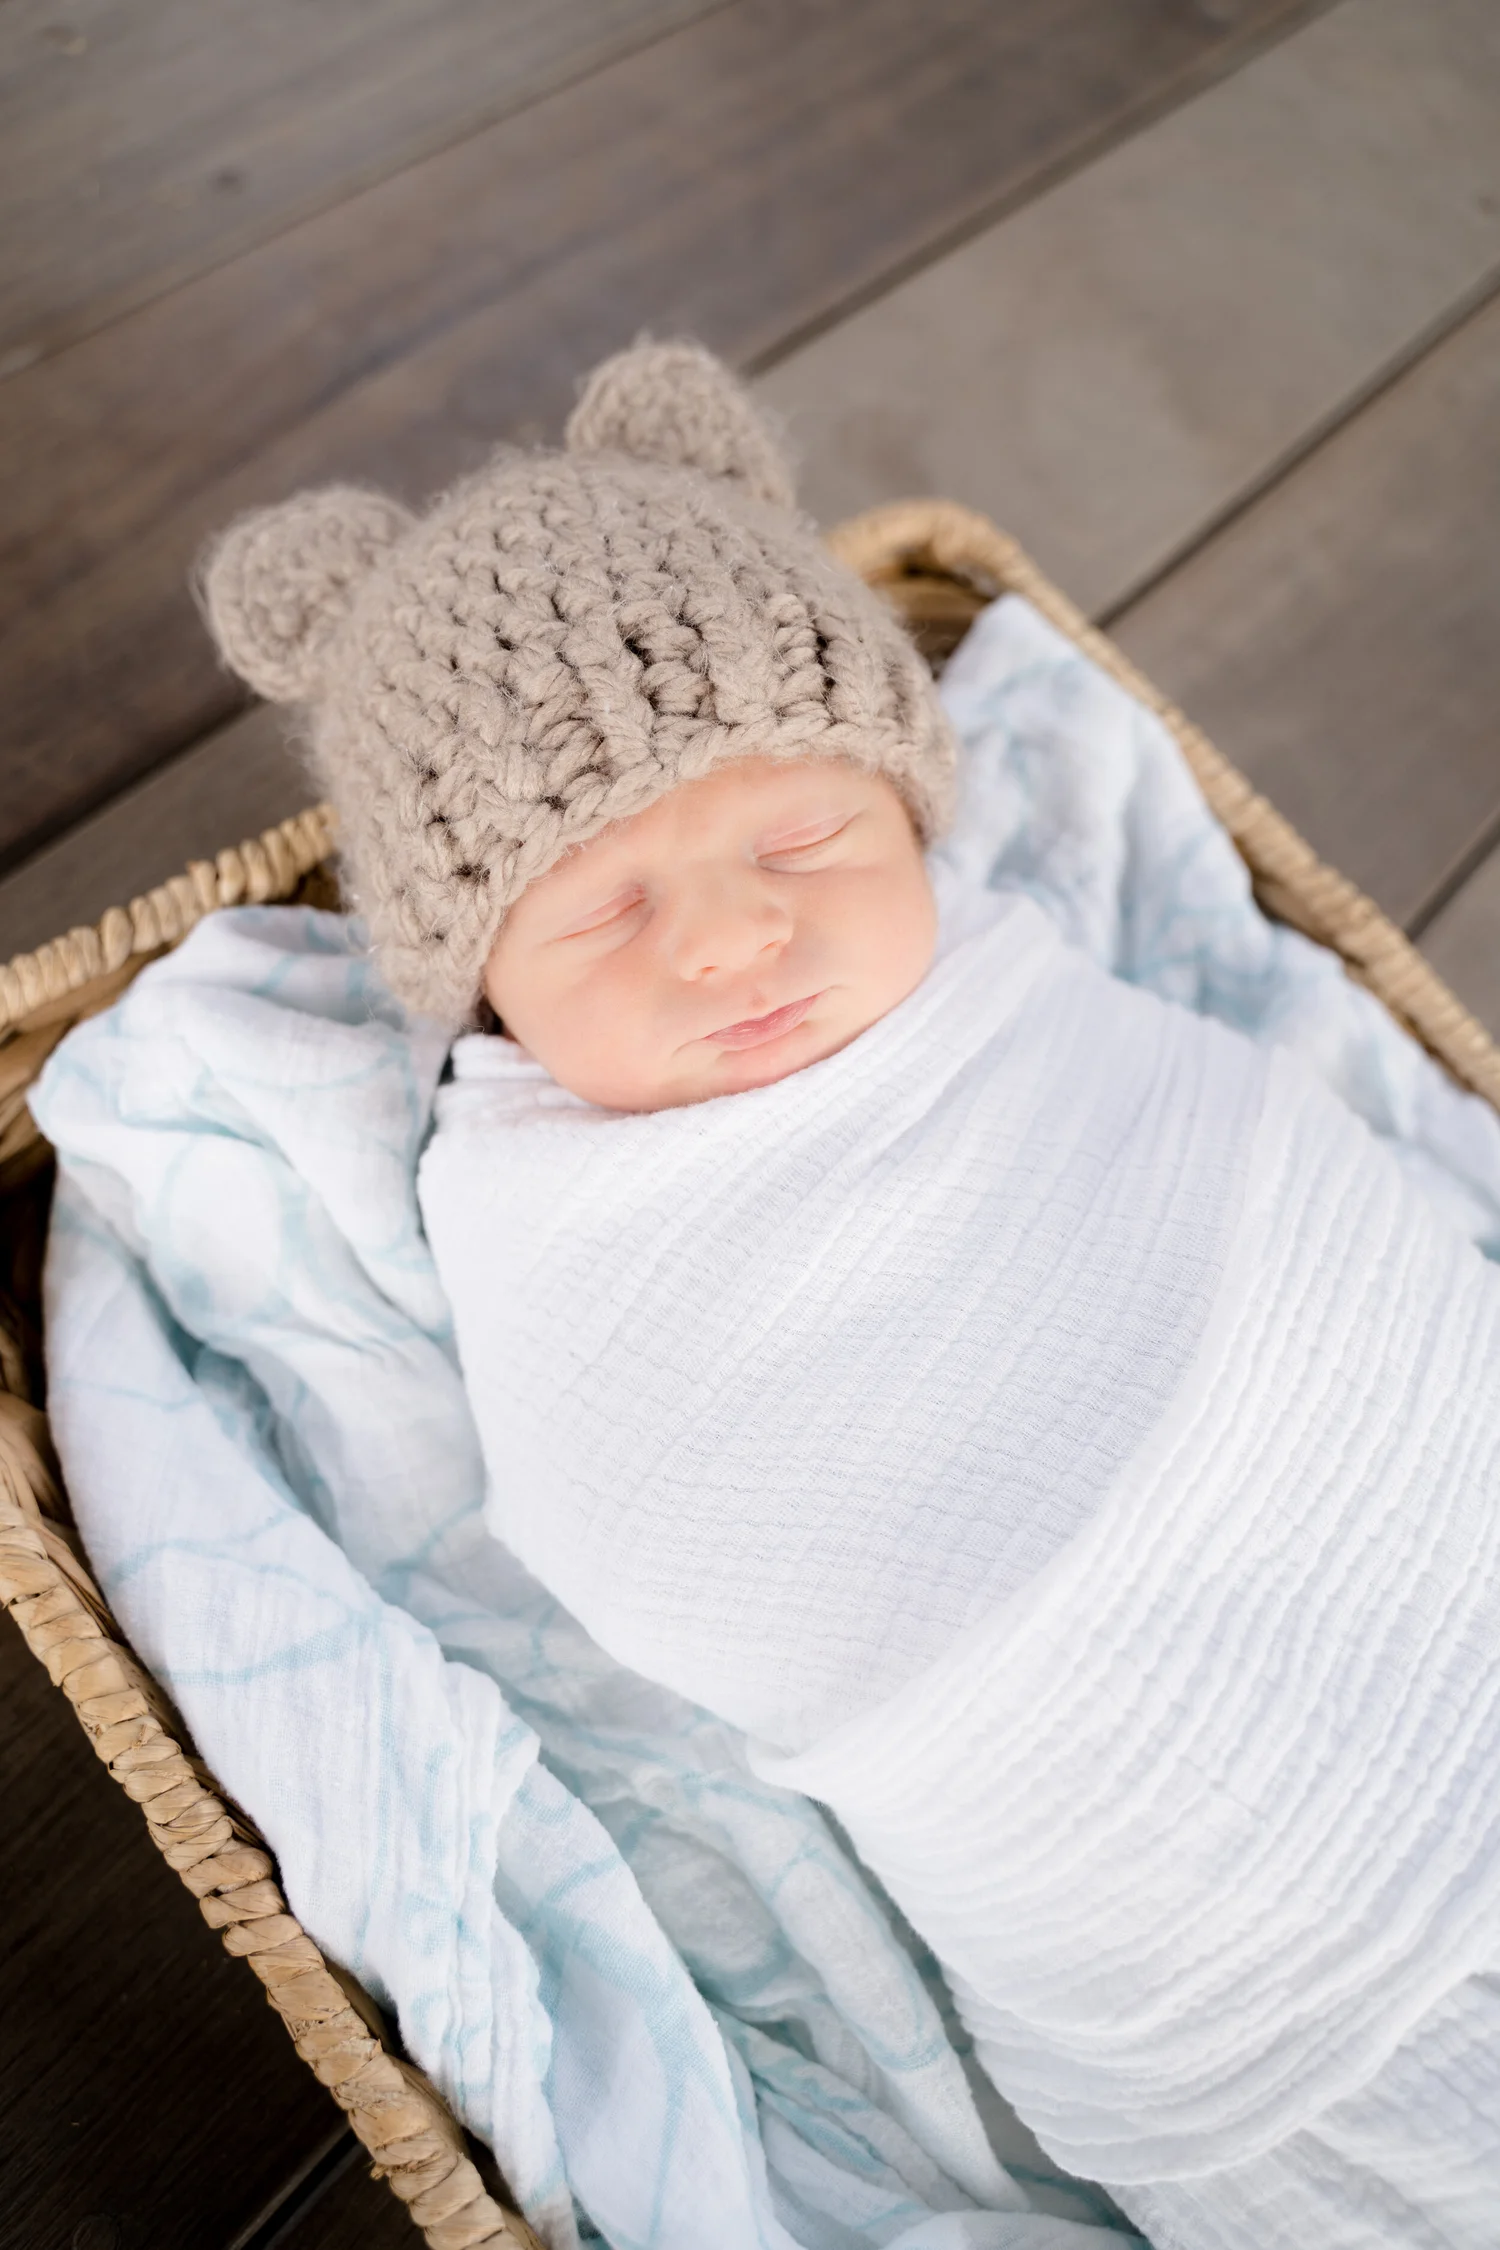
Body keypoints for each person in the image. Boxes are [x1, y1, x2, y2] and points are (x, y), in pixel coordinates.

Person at [203, 341, 1500, 2250]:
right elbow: (639, 1520)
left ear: (910, 815)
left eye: (806, 835)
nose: (736, 933)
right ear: (489, 994)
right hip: (1184, 1899)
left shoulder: (1011, 988)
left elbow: (1269, 1179)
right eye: (603, 907)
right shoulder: (546, 1211)